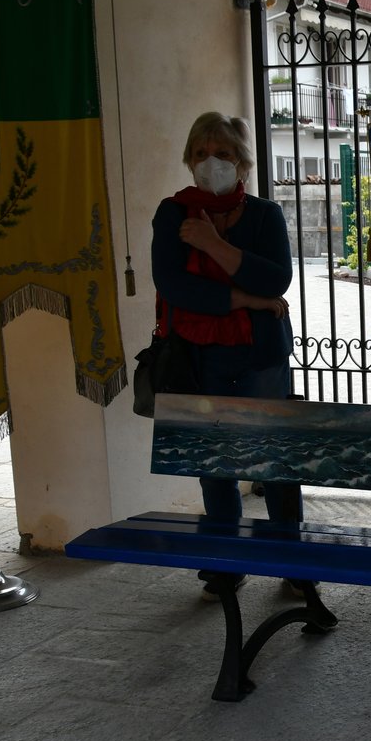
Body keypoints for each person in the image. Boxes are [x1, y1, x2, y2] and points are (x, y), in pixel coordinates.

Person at [151, 112, 296, 601]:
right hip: (200, 357)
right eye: (200, 154)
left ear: (243, 163)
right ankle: (225, 561)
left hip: (261, 356)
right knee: (215, 463)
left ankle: (291, 561)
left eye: (224, 154)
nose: (211, 163)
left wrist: (212, 243)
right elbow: (174, 287)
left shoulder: (264, 215)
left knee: (275, 460)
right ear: (189, 161)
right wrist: (247, 300)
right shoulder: (173, 215)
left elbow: (275, 280)